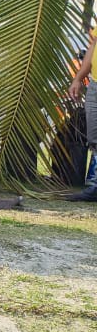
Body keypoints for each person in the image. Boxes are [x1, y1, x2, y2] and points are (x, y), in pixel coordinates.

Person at [67, 27, 97, 201]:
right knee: (94, 138)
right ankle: (96, 187)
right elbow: (93, 47)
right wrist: (78, 79)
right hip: (95, 85)